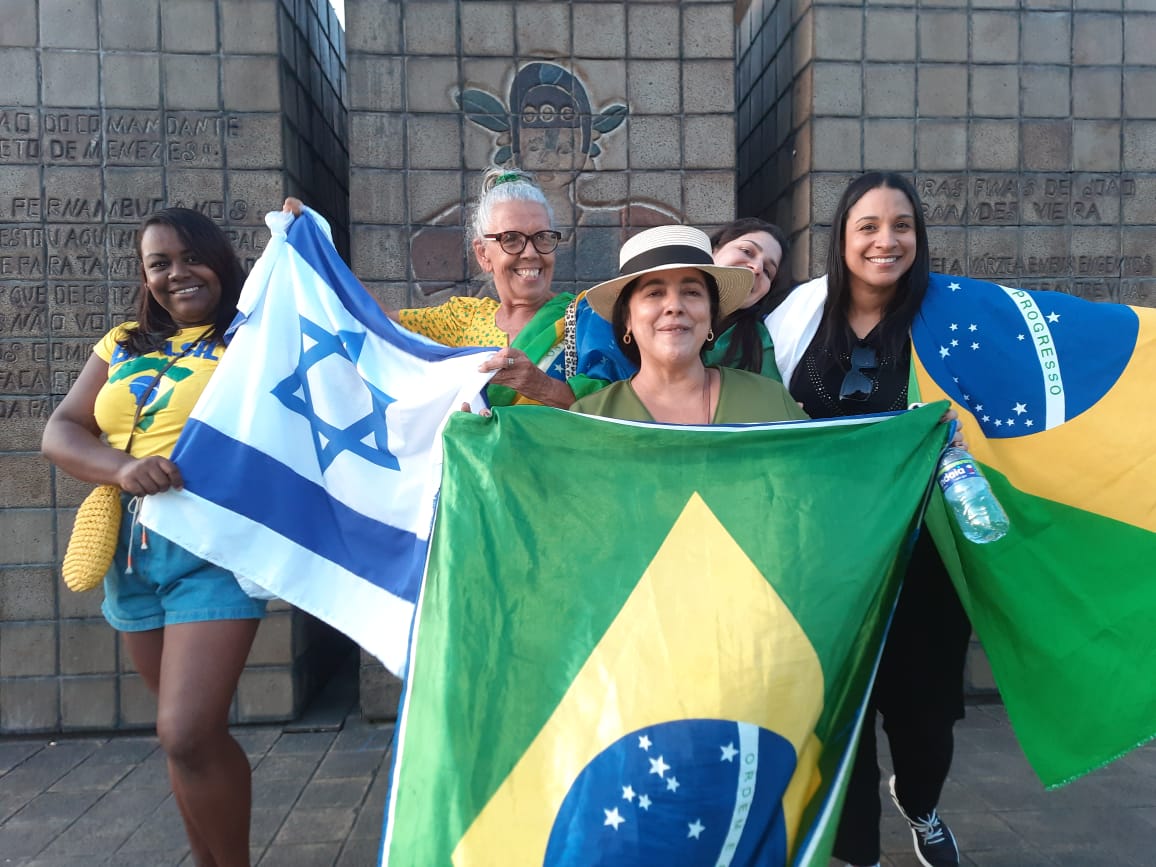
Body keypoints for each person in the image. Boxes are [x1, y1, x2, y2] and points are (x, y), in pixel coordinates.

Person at [42, 208, 265, 867]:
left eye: (190, 256)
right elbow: (61, 429)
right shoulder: (122, 342)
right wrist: (121, 468)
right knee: (182, 742)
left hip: (210, 548)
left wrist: (302, 237)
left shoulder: (253, 338)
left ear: (220, 260)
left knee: (187, 728)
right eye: (159, 263)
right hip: (129, 550)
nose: (177, 273)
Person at [766, 172, 969, 867]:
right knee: (839, 711)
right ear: (842, 237)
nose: (887, 240)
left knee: (928, 718)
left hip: (924, 557)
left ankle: (919, 802)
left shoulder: (947, 318)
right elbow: (751, 414)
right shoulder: (800, 313)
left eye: (903, 225)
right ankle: (858, 853)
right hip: (826, 561)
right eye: (869, 225)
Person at [288, 167, 633, 407]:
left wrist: (543, 388)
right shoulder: (461, 318)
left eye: (542, 237)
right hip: (475, 495)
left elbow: (623, 409)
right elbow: (374, 325)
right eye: (511, 239)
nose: (531, 253)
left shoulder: (590, 315)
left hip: (560, 497)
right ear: (483, 254)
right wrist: (315, 246)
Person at [571, 224, 807, 425]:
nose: (675, 306)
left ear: (711, 314)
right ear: (627, 319)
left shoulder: (770, 402)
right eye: (654, 293)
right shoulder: (590, 418)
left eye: (692, 292)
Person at [704, 217, 791, 380]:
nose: (757, 268)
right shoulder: (660, 311)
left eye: (768, 271)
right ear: (714, 250)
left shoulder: (760, 344)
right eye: (746, 251)